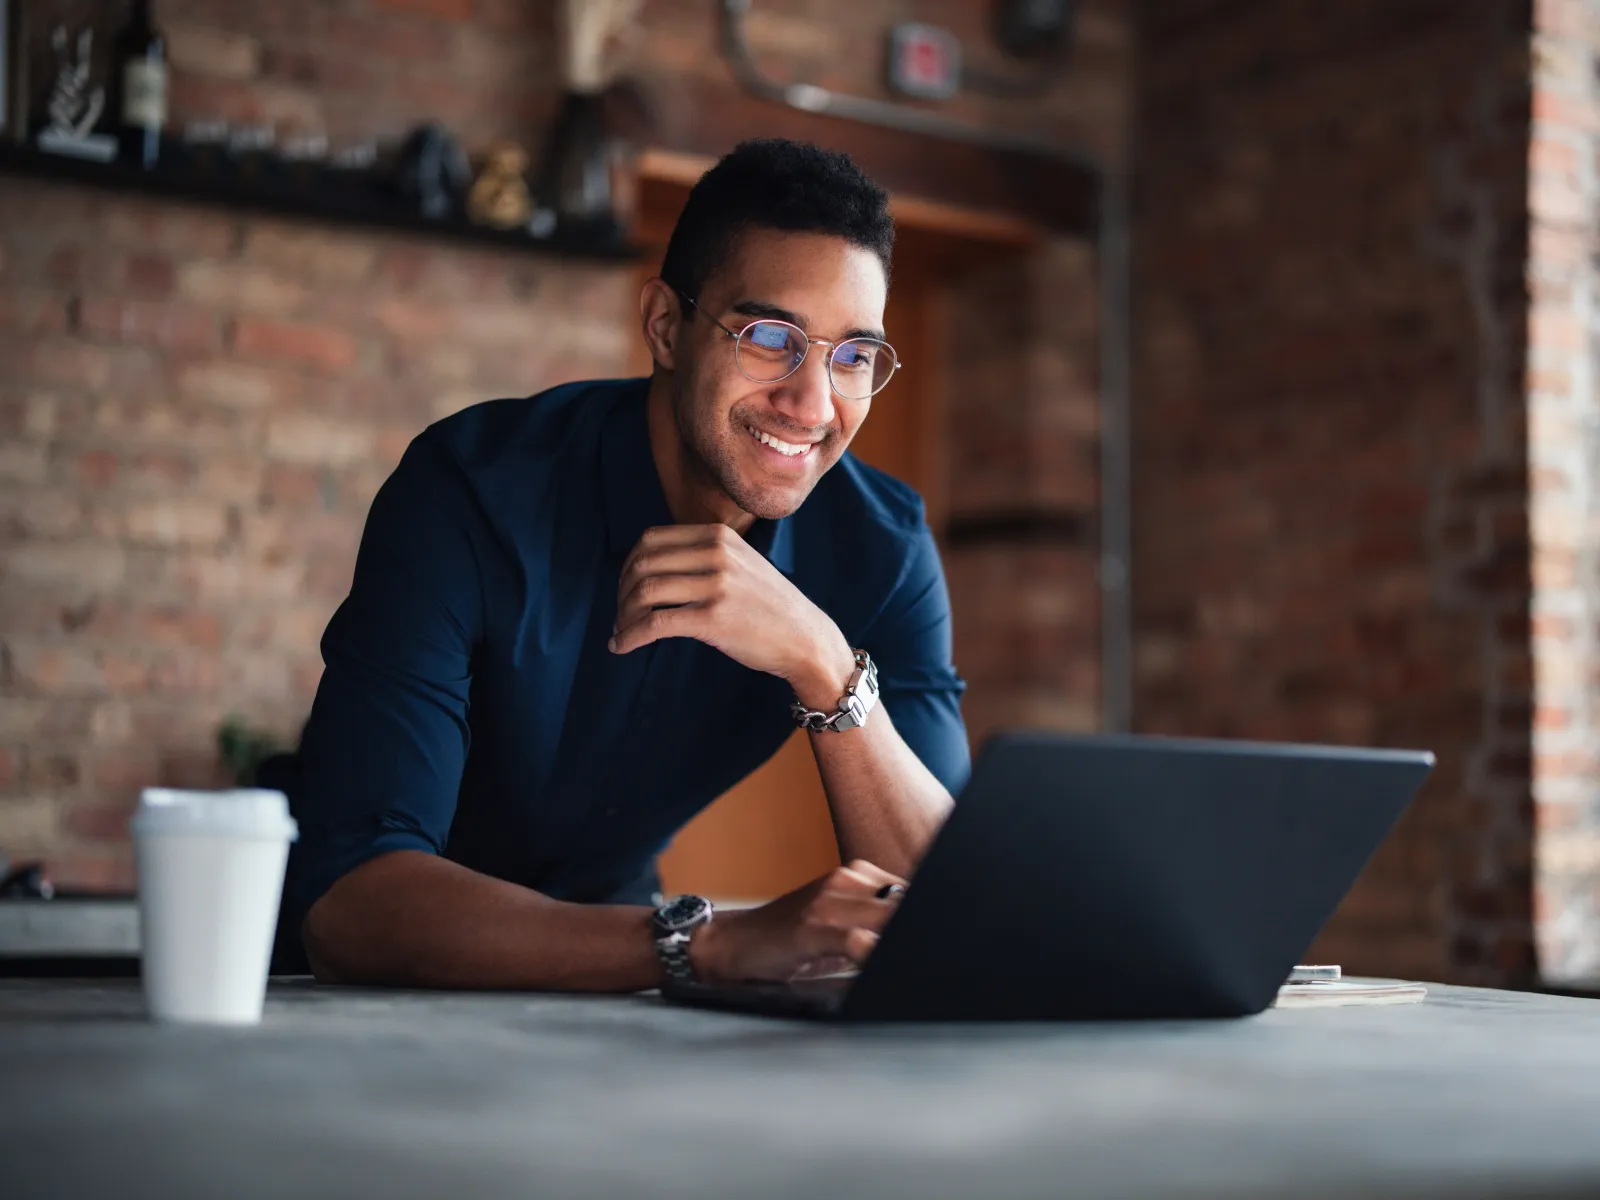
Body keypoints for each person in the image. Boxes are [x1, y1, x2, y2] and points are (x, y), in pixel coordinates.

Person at [286, 138, 969, 991]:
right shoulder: (472, 491)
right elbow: (350, 901)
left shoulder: (882, 546)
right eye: (768, 337)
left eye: (853, 356)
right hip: (371, 988)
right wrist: (709, 943)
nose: (814, 402)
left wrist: (826, 666)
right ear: (664, 326)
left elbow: (956, 912)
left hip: (618, 981)